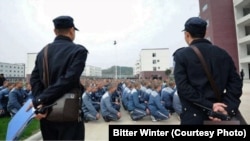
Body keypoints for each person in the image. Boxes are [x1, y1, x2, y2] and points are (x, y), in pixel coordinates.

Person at [173, 17, 242, 125]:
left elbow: (183, 88)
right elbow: (236, 83)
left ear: (187, 34)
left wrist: (210, 106)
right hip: (221, 116)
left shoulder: (181, 56)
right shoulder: (223, 53)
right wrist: (225, 107)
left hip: (194, 117)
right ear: (205, 32)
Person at [29, 15, 88, 140]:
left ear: (55, 31)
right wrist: (40, 100)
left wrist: (40, 101)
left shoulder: (43, 52)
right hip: (69, 114)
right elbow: (68, 79)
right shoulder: (78, 51)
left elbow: (34, 79)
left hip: (47, 115)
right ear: (72, 30)